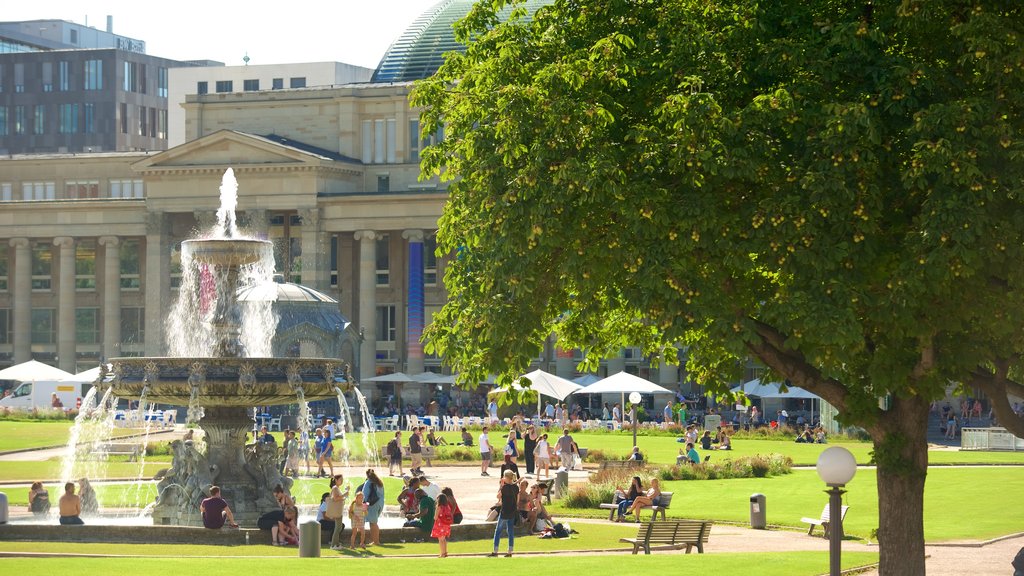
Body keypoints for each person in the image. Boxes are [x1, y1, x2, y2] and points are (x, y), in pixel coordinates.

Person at [488, 469, 519, 557]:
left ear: (506, 477)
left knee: (498, 531)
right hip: (512, 511)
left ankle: (495, 550)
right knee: (510, 531)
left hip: (504, 511)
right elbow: (517, 499)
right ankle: (510, 551)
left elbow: (498, 496)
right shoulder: (516, 487)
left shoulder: (505, 487)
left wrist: (501, 485)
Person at [362, 469, 385, 546]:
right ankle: (375, 540)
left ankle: (376, 541)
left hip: (372, 504)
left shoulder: (368, 482)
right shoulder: (379, 482)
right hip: (379, 504)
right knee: (374, 522)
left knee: (373, 523)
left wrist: (363, 505)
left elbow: (364, 495)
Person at [326, 474, 349, 549]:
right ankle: (333, 544)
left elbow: (338, 498)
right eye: (340, 480)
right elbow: (335, 499)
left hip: (339, 509)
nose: (342, 481)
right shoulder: (335, 488)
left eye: (342, 480)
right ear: (336, 480)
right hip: (337, 510)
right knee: (337, 528)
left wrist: (344, 495)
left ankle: (337, 544)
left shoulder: (337, 488)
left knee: (338, 528)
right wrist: (344, 494)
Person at [433, 492, 454, 557]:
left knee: (440, 539)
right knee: (444, 539)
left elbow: (435, 517)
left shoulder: (439, 507)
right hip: (446, 524)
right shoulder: (447, 506)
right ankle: (445, 552)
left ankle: (442, 553)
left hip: (440, 524)